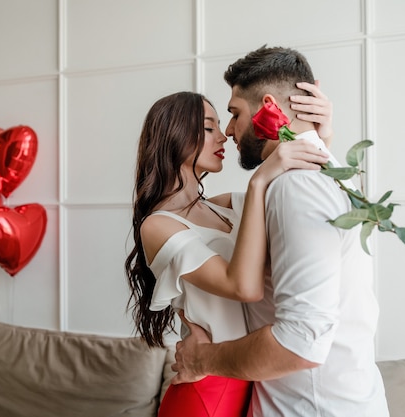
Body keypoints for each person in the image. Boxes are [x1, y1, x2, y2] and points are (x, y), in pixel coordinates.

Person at [171, 46, 390, 417]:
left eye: (234, 114)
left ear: (268, 108)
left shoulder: (296, 187)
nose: (228, 130)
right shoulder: (326, 173)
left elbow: (300, 343)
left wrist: (201, 359)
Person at [125, 90, 332, 417]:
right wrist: (259, 179)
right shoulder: (157, 226)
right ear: (173, 134)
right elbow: (244, 287)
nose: (223, 135)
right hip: (206, 392)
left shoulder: (228, 207)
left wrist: (320, 136)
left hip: (253, 377)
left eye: (221, 125)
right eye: (209, 128)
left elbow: (306, 204)